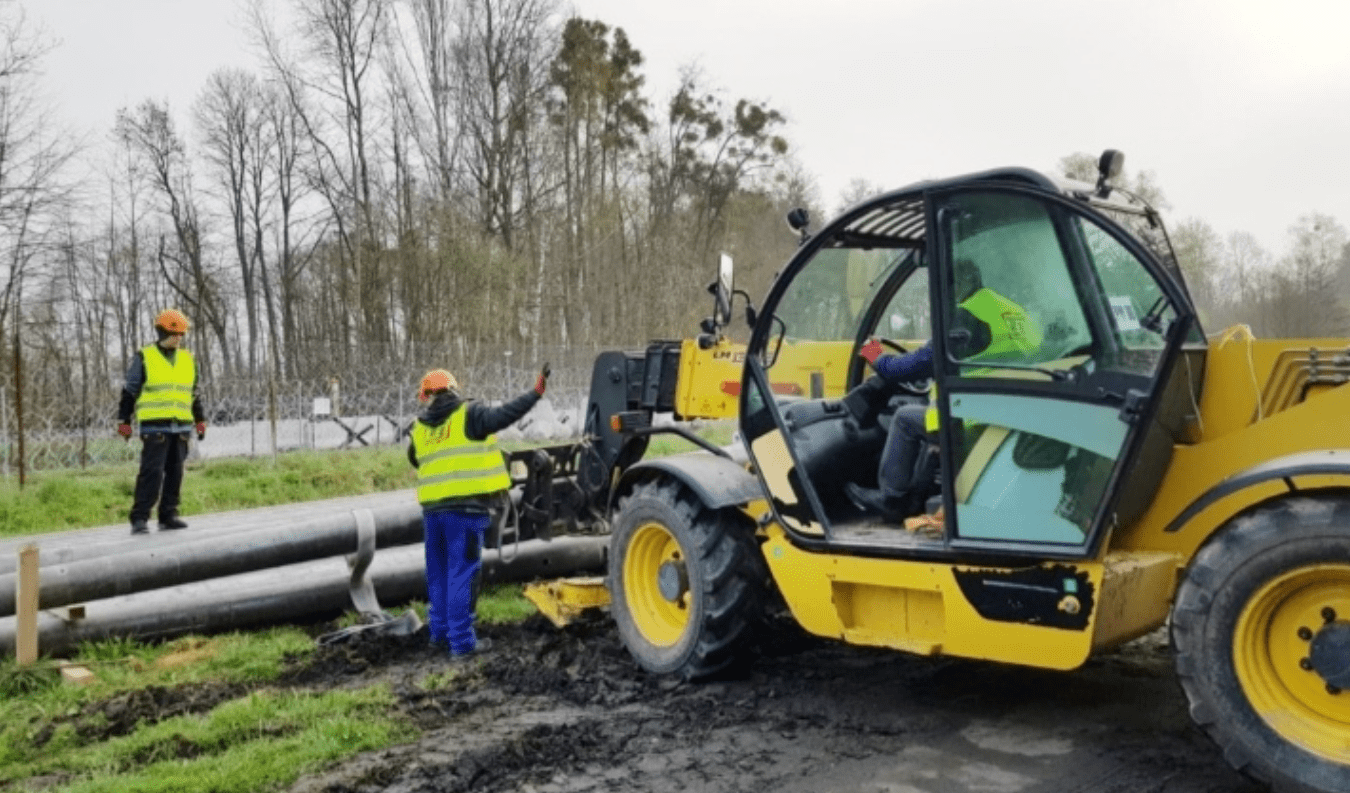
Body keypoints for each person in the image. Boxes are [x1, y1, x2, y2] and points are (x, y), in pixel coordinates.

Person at [846, 260, 1040, 521]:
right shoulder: (1009, 311)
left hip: (972, 417)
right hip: (1010, 412)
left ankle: (892, 499)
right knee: (928, 419)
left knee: (904, 419)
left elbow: (909, 368)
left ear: (961, 283)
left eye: (945, 285)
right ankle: (917, 498)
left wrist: (874, 354)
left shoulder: (966, 318)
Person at [408, 363, 549, 658]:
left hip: (433, 514)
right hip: (466, 513)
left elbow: (417, 459)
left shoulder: (419, 429)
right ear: (453, 389)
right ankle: (461, 643)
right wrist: (535, 393)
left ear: (427, 396)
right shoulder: (470, 415)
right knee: (462, 574)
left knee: (439, 574)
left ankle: (439, 635)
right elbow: (505, 414)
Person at [117, 309, 207, 535]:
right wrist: (124, 421)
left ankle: (168, 515)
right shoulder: (145, 356)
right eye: (173, 334)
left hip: (182, 426)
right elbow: (130, 391)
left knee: (175, 473)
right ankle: (140, 518)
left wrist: (200, 420)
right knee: (152, 473)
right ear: (161, 332)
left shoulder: (188, 359)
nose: (178, 338)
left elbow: (193, 393)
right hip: (155, 427)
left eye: (181, 335)